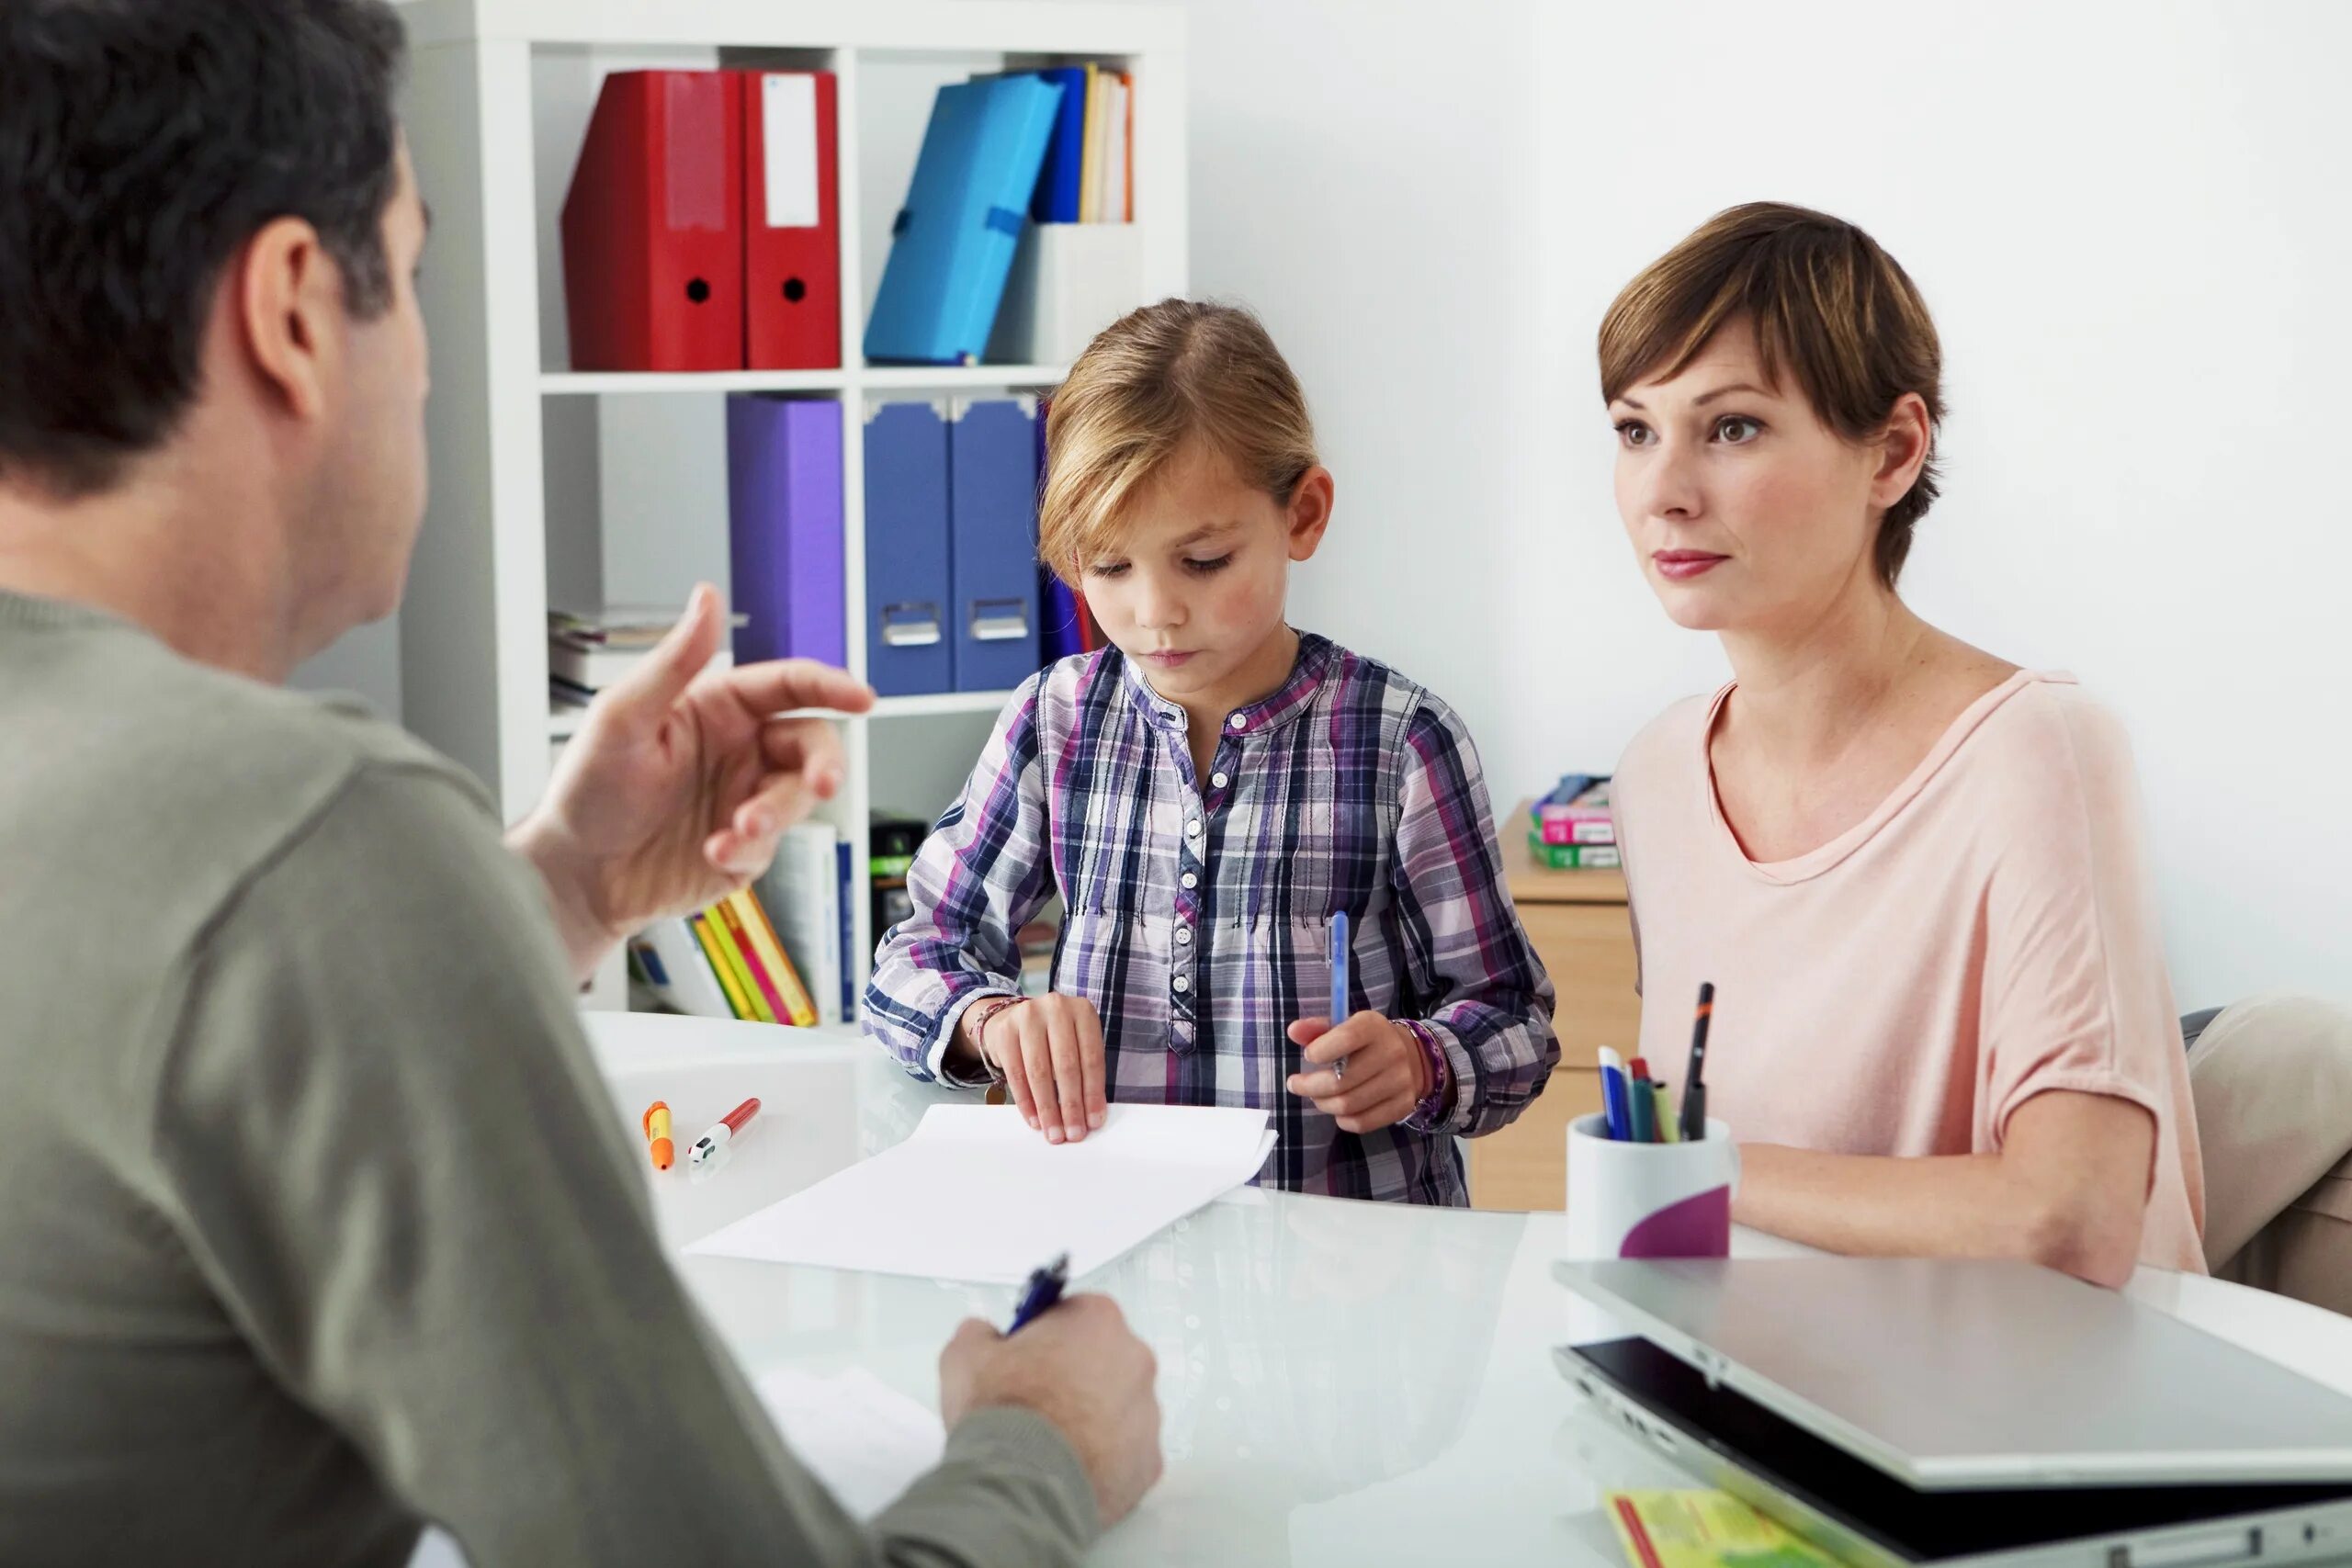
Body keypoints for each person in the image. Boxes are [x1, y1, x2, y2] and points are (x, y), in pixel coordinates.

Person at [0, 3, 1159, 1562]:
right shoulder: (306, 838)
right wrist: (1044, 1441)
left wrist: (557, 886)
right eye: (411, 275)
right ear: (289, 311)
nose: (419, 356)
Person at [1600, 202, 2204, 1286]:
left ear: (1892, 453)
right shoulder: (1654, 775)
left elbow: (2070, 1218)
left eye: (1730, 427)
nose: (1662, 492)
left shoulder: (2040, 751)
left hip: (2034, 1422)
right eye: (1636, 429)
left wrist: (1682, 1168)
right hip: (1768, 1387)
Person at [865, 299, 1557, 1204]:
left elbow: (1512, 1020)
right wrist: (990, 1023)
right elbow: (916, 954)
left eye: (1201, 561)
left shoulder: (1400, 741)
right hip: (1116, 1266)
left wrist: (1425, 1064)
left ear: (1302, 516)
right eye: (1108, 567)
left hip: (1352, 1282)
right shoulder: (1054, 719)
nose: (1154, 612)